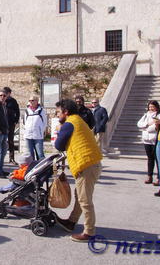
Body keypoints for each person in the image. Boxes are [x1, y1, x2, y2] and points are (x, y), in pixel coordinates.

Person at [54, 99, 103, 242]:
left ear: (66, 112)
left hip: (86, 164)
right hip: (90, 163)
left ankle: (89, 232)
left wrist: (58, 130)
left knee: (85, 200)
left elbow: (59, 145)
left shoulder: (69, 123)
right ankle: (71, 221)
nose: (57, 115)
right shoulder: (77, 120)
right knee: (80, 196)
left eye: (58, 112)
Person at [137, 100, 160, 185]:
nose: (151, 108)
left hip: (154, 139)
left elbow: (154, 128)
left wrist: (146, 127)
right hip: (146, 139)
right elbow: (139, 124)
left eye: (152, 107)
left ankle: (159, 178)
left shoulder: (158, 115)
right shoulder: (146, 115)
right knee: (150, 159)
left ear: (156, 107)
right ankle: (149, 176)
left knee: (157, 159)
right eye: (150, 107)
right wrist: (147, 124)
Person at [23, 95, 47, 160]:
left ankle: (42, 169)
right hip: (28, 135)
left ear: (37, 101)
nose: (31, 102)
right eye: (30, 100)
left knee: (40, 154)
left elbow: (45, 123)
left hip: (38, 136)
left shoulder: (41, 111)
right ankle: (32, 169)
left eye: (32, 100)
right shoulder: (27, 111)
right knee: (30, 155)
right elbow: (24, 122)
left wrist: (41, 130)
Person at [3, 87, 20, 164]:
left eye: (6, 93)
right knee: (2, 141)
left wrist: (16, 120)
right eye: (4, 92)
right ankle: (1, 158)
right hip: (2, 123)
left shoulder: (13, 101)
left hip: (10, 123)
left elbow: (17, 111)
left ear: (9, 93)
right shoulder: (1, 100)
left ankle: (11, 158)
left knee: (10, 141)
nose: (5, 94)